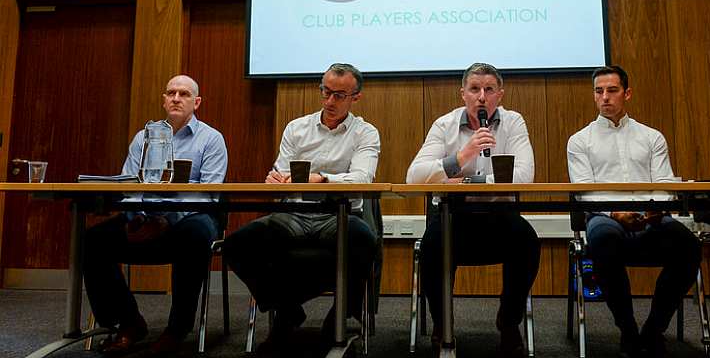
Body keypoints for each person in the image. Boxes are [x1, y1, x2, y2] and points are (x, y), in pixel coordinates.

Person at [223, 63, 380, 352]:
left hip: (339, 214)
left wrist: (322, 179)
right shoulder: (297, 128)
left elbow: (362, 179)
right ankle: (287, 308)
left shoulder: (365, 133)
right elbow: (281, 172)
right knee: (236, 245)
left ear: (355, 97)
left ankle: (341, 314)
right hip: (294, 213)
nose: (330, 101)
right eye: (326, 92)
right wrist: (275, 179)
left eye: (339, 95)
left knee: (365, 241)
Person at [83, 75, 228, 355]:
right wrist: (136, 216)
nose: (176, 98)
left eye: (184, 94)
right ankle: (129, 323)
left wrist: (167, 220)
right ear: (163, 100)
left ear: (196, 102)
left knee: (195, 235)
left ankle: (177, 330)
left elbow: (208, 193)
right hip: (146, 218)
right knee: (94, 239)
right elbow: (130, 185)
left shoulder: (211, 139)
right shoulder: (143, 137)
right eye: (171, 93)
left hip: (189, 218)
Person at [406, 62, 541, 358]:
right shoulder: (445, 125)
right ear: (463, 94)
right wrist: (462, 155)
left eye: (489, 89)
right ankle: (443, 324)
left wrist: (464, 180)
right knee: (431, 245)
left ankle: (508, 322)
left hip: (500, 216)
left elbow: (524, 176)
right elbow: (414, 176)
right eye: (474, 89)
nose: (482, 96)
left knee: (528, 242)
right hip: (453, 215)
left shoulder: (513, 122)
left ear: (500, 95)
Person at [566, 65, 701, 358]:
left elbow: (664, 182)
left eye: (612, 90)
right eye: (599, 91)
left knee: (688, 245)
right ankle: (627, 330)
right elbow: (585, 190)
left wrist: (655, 210)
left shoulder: (651, 136)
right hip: (604, 216)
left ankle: (653, 329)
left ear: (627, 93)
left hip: (650, 215)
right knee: (603, 239)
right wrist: (616, 213)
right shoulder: (579, 140)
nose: (605, 97)